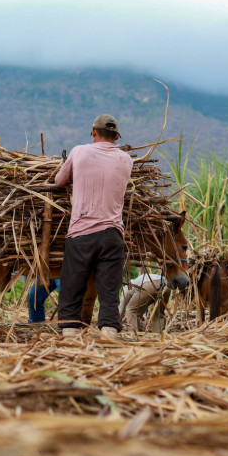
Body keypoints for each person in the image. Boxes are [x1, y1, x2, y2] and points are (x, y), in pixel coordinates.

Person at [53, 114, 134, 338]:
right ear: (117, 136)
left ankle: (70, 336)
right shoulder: (127, 160)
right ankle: (109, 336)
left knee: (72, 288)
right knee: (109, 293)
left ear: (93, 132)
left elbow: (59, 182)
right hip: (112, 236)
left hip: (81, 234)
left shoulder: (79, 151)